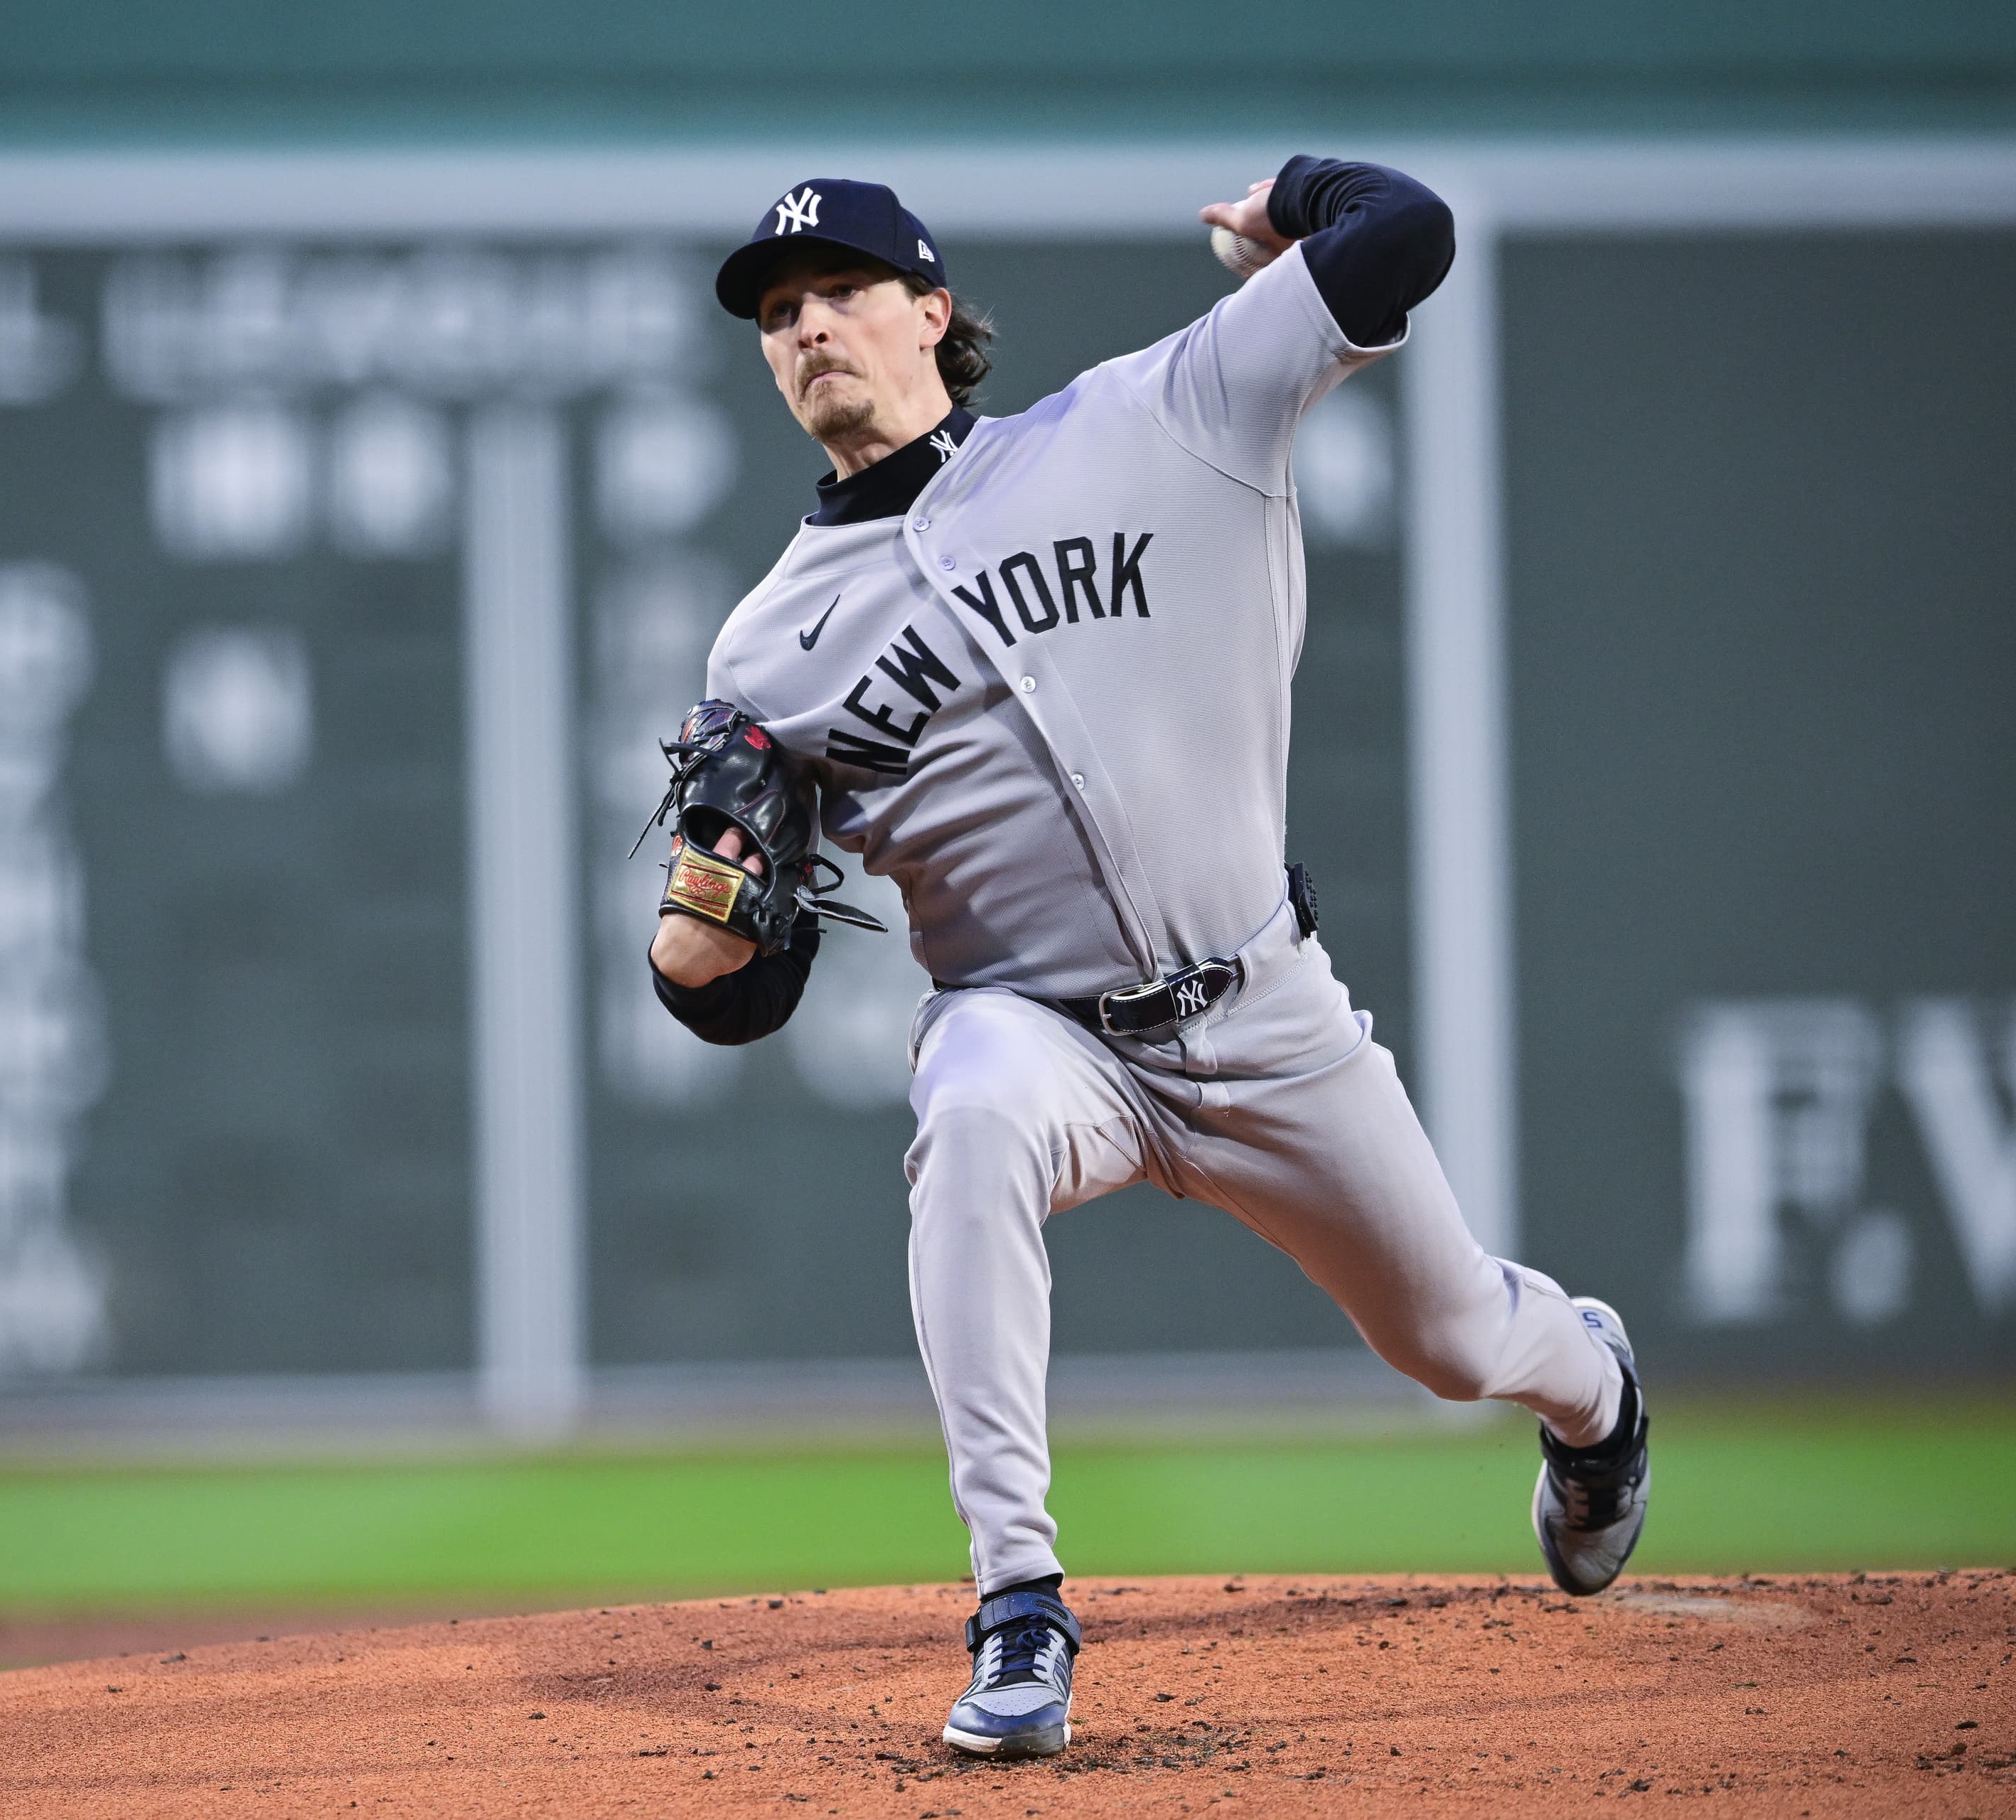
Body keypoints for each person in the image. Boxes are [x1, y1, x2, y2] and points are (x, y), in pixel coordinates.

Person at [648, 164, 1651, 1761]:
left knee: (1451, 1337)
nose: (809, 326)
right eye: (778, 313)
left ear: (931, 311)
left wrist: (1295, 211)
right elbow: (733, 991)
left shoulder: (1156, 414)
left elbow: (1414, 234)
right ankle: (1019, 1606)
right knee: (967, 1108)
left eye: (840, 290)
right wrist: (704, 946)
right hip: (1040, 1036)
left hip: (1262, 1006)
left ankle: (1596, 1394)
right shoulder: (768, 645)